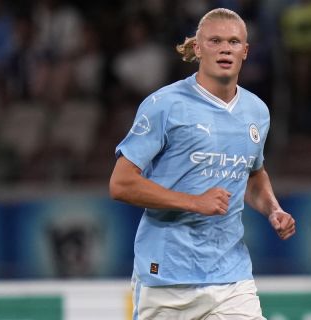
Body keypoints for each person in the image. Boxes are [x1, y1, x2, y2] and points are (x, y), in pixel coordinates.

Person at [109, 8, 296, 320]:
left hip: (231, 277)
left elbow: (253, 175)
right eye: (215, 40)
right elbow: (121, 183)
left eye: (234, 42)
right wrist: (193, 202)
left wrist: (273, 209)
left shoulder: (257, 111)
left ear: (245, 51)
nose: (225, 48)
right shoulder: (164, 105)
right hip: (167, 278)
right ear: (197, 47)